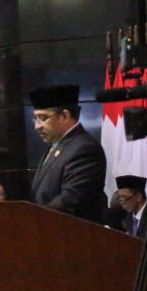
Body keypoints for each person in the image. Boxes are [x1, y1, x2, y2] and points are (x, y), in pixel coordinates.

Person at [29, 84, 107, 223]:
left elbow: (69, 201)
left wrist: (33, 221)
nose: (37, 126)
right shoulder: (56, 146)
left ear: (65, 116)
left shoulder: (85, 149)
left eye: (43, 118)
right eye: (35, 118)